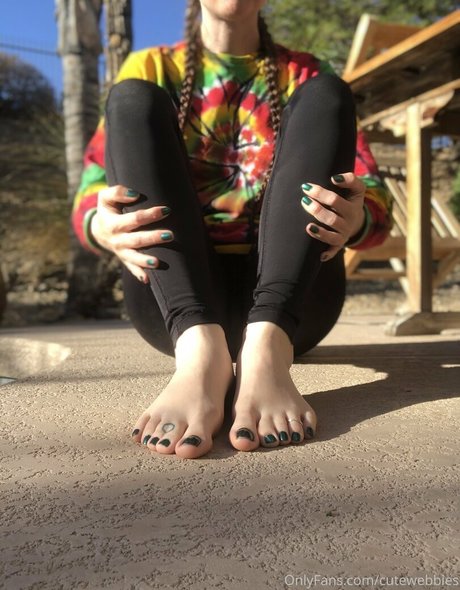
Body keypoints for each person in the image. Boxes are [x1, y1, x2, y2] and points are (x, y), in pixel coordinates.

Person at [72, 0, 392, 459]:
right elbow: (91, 190)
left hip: (297, 300)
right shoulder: (153, 66)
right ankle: (200, 353)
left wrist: (357, 217)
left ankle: (267, 351)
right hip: (174, 300)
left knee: (327, 94)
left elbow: (374, 194)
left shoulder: (304, 73)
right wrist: (101, 223)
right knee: (131, 98)